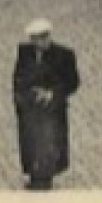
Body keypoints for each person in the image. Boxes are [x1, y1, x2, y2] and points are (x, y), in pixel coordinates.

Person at [12, 19, 81, 191]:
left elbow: (73, 82)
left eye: (43, 38)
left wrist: (52, 94)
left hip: (52, 110)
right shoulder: (25, 52)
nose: (40, 42)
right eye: (36, 39)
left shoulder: (64, 55)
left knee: (48, 144)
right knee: (31, 143)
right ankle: (35, 174)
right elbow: (18, 76)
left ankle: (43, 180)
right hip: (30, 108)